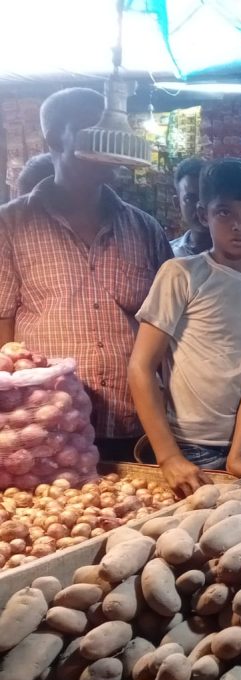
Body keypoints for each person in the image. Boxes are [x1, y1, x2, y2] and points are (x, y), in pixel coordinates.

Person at [0, 88, 172, 462]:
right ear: (53, 138)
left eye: (112, 129)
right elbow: (4, 334)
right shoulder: (10, 226)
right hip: (47, 434)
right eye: (89, 128)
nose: (105, 140)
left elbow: (168, 333)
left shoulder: (145, 229)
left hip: (135, 425)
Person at [128, 159, 241, 496]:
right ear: (204, 215)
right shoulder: (181, 275)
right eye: (224, 212)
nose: (239, 225)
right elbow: (141, 367)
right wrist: (168, 456)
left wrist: (238, 454)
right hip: (189, 448)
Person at [169, 157, 211, 257]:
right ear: (177, 204)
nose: (200, 206)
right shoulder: (168, 254)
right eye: (190, 199)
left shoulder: (239, 255)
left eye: (205, 197)